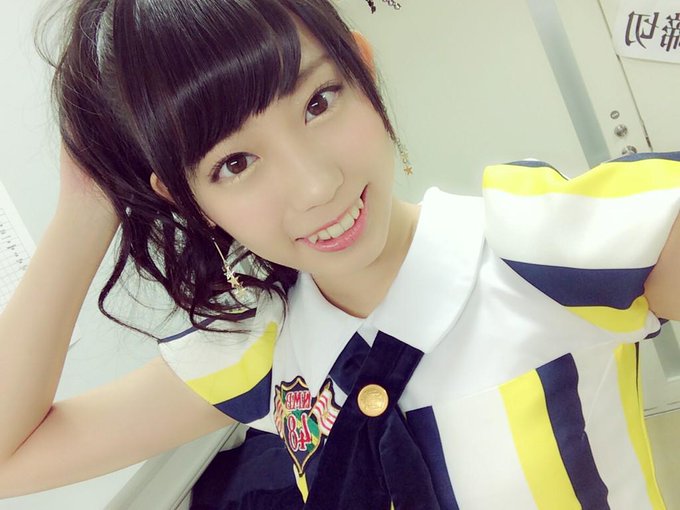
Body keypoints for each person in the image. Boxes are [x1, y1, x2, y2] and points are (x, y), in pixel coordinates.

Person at [0, 0, 678, 508]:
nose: (315, 186)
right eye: (235, 163)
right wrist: (85, 209)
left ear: (363, 68)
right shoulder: (260, 347)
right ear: (189, 201)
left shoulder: (542, 248)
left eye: (319, 102)